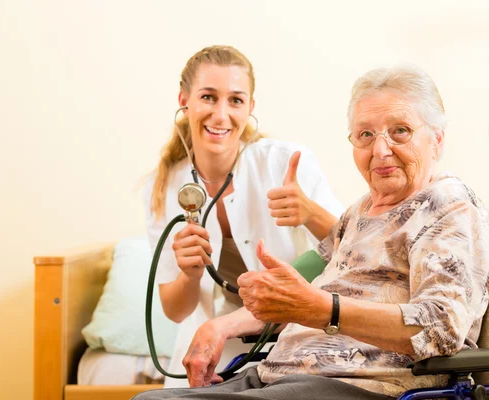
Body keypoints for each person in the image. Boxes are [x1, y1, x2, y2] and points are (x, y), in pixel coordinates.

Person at [136, 63, 489, 399]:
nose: (381, 149)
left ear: (437, 139)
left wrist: (325, 309)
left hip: (359, 384)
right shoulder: (359, 212)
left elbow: (440, 328)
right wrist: (221, 327)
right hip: (279, 376)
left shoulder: (447, 205)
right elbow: (303, 285)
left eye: (400, 131)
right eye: (365, 135)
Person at [143, 45, 345, 388]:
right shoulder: (163, 188)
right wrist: (189, 275)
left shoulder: (284, 163)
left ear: (250, 107)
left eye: (235, 100)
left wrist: (309, 213)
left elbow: (358, 249)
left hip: (298, 333)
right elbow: (176, 311)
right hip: (217, 339)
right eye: (208, 97)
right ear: (184, 99)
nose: (221, 115)